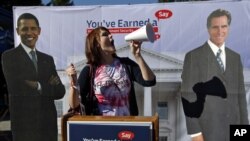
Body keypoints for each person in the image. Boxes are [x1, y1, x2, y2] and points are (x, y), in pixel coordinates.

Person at [181, 9, 249, 141]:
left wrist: (243, 132)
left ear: (228, 28)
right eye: (215, 27)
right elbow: (188, 95)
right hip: (207, 131)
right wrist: (196, 134)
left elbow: (240, 97)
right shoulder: (193, 56)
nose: (220, 31)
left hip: (234, 130)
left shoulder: (235, 57)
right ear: (208, 29)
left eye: (224, 26)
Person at [1, 13, 65, 141]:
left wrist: (37, 85)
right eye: (25, 29)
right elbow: (17, 87)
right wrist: (47, 85)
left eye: (33, 28)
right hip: (24, 127)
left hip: (48, 127)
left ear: (39, 31)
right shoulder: (9, 57)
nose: (29, 32)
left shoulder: (47, 59)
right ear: (17, 31)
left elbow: (60, 91)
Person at [66, 26, 156, 116]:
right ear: (96, 43)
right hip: (101, 126)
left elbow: (149, 81)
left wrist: (137, 55)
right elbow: (74, 105)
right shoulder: (89, 70)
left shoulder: (126, 64)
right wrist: (73, 83)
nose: (111, 36)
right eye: (105, 35)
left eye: (110, 34)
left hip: (127, 125)